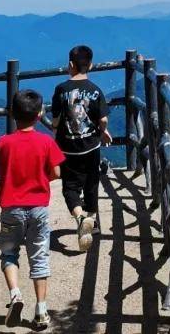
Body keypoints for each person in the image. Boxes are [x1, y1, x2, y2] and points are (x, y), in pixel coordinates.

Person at [0, 89, 65, 330]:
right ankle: (41, 310)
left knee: (9, 254)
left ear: (12, 113)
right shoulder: (46, 142)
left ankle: (15, 295)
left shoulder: (2, 143)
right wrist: (39, 181)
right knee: (39, 257)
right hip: (38, 208)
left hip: (11, 208)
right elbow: (56, 173)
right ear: (40, 113)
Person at [52, 45, 112, 251]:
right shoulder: (96, 90)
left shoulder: (60, 90)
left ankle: (79, 217)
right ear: (91, 65)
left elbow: (55, 121)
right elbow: (103, 119)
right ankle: (92, 221)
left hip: (68, 148)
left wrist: (53, 128)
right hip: (91, 146)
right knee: (92, 183)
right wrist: (103, 132)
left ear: (70, 64)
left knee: (70, 187)